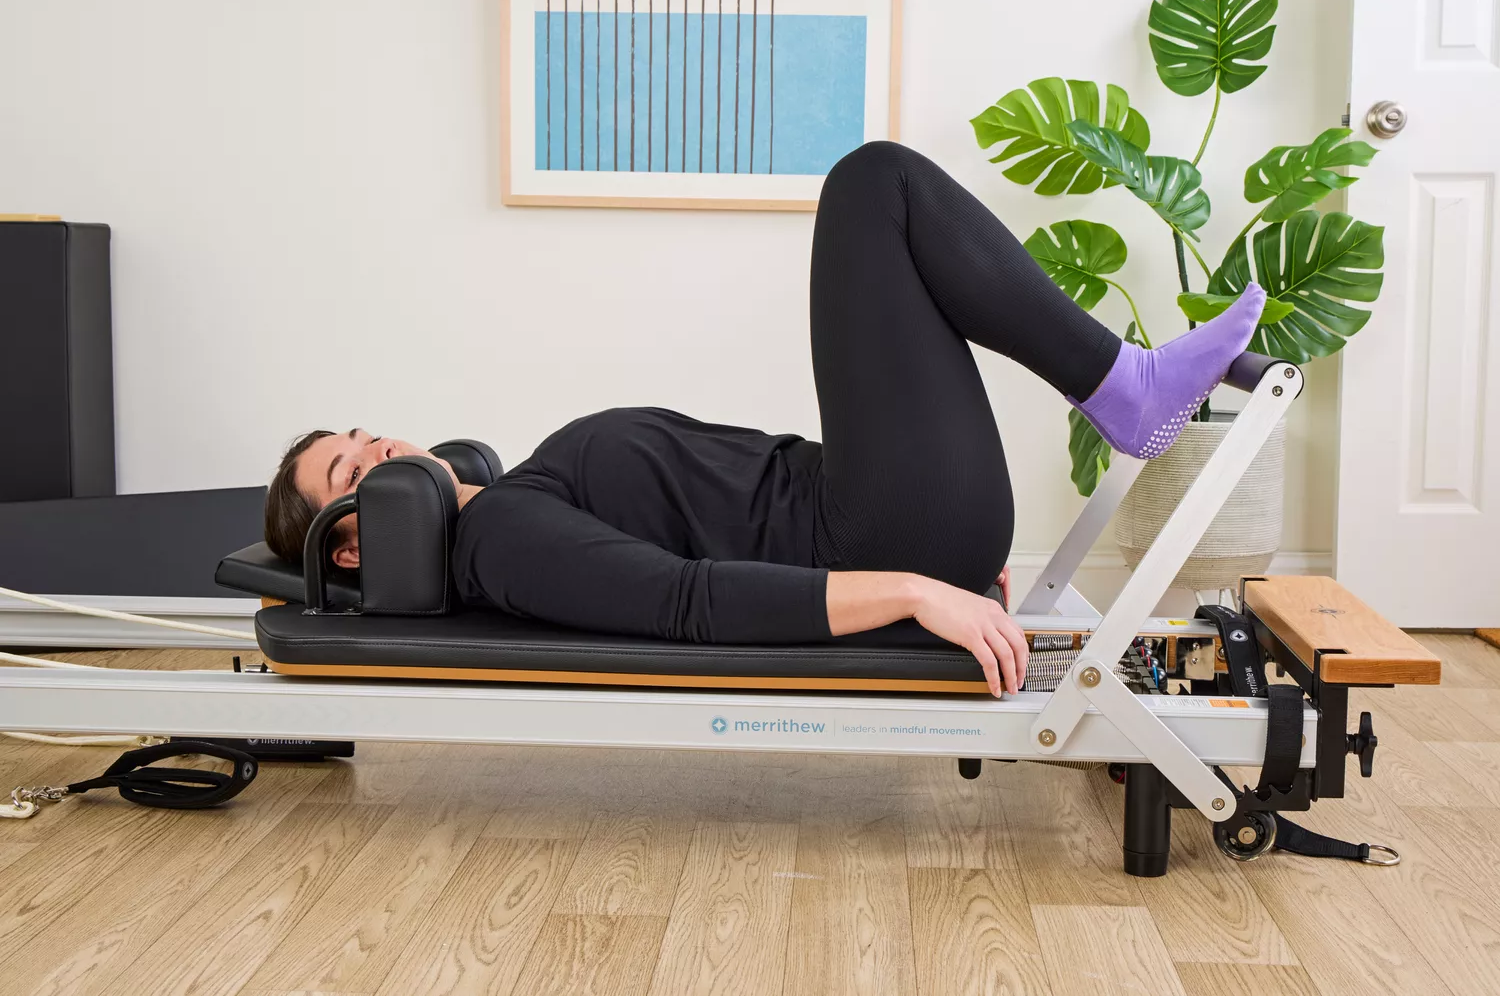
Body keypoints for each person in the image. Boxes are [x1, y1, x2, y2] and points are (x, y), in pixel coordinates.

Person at [263, 142, 1265, 698]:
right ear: (350, 550)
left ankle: (1126, 387)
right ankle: (1126, 390)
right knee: (876, 187)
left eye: (364, 435)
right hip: (880, 534)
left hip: (875, 508)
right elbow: (687, 601)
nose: (382, 449)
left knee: (879, 190)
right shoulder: (502, 537)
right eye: (353, 475)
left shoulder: (515, 486)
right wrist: (914, 590)